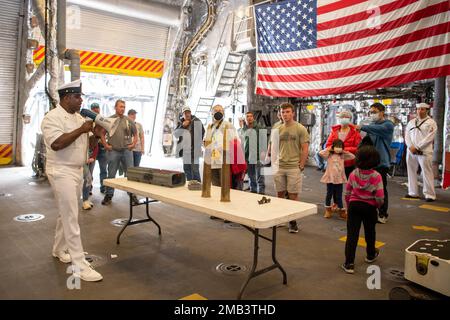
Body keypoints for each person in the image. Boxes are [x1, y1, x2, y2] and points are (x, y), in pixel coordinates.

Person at [41, 80, 103, 281]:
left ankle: (59, 250)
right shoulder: (52, 118)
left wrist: (96, 135)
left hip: (76, 170)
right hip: (60, 171)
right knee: (71, 217)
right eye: (78, 96)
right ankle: (79, 264)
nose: (81, 100)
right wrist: (82, 129)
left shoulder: (78, 118)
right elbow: (57, 143)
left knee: (65, 213)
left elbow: (85, 144)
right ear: (67, 97)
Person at [342, 145, 384, 274]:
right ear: (375, 160)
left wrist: (349, 207)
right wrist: (377, 207)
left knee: (352, 235)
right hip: (369, 207)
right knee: (370, 232)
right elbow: (380, 197)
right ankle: (370, 255)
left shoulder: (353, 173)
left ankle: (349, 263)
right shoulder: (376, 176)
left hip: (354, 205)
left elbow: (347, 192)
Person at [270, 102, 310, 233]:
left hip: (293, 167)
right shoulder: (278, 128)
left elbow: (305, 148)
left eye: (287, 112)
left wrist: (302, 165)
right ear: (280, 114)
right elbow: (274, 147)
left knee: (293, 196)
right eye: (283, 112)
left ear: (293, 113)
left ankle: (293, 222)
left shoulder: (300, 128)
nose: (285, 114)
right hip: (280, 166)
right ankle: (280, 219)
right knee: (280, 194)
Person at [356, 103, 394, 224]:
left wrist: (362, 127)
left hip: (381, 163)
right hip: (369, 162)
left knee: (381, 190)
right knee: (368, 189)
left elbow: (378, 130)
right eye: (371, 112)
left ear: (382, 112)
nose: (372, 114)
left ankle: (383, 213)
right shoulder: (371, 125)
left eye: (374, 111)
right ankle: (371, 212)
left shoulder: (388, 125)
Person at [204, 104, 237, 221]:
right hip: (212, 161)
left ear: (224, 113)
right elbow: (205, 142)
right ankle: (218, 211)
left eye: (220, 111)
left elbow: (235, 141)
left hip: (224, 161)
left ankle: (228, 213)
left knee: (226, 186)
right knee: (216, 186)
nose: (218, 112)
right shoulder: (210, 126)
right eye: (216, 111)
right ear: (212, 113)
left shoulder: (228, 125)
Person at [101, 99, 138, 205]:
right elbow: (102, 134)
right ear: (115, 107)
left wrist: (133, 144)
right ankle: (109, 195)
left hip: (127, 151)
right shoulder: (109, 120)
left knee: (130, 174)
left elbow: (136, 134)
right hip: (114, 151)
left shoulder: (128, 120)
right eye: (121, 106)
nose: (123, 108)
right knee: (111, 174)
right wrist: (105, 145)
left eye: (124, 107)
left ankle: (132, 195)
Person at [404, 103, 437, 202]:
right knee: (411, 171)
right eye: (418, 109)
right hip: (411, 150)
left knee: (427, 172)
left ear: (427, 110)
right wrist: (410, 146)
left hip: (424, 151)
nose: (419, 111)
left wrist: (418, 147)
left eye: (422, 109)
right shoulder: (411, 122)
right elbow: (406, 135)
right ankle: (413, 192)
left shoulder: (431, 122)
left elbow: (430, 138)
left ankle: (429, 194)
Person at [319, 139, 355, 219]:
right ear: (333, 147)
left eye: (340, 147)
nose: (338, 148)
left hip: (339, 179)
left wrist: (344, 151)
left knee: (339, 195)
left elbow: (352, 156)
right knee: (329, 194)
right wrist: (329, 149)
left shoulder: (342, 155)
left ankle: (341, 211)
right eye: (337, 147)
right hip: (330, 179)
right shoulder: (329, 155)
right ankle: (328, 210)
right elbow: (321, 153)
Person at [326, 110, 361, 177]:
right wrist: (334, 149)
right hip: (335, 162)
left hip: (350, 163)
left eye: (346, 117)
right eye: (342, 117)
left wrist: (343, 150)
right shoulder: (334, 132)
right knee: (336, 184)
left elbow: (358, 148)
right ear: (339, 119)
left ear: (350, 119)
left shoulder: (355, 132)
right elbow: (328, 145)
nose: (344, 118)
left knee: (350, 184)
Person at [174, 106, 205, 182]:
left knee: (195, 170)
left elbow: (203, 132)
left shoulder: (196, 121)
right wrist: (182, 126)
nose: (187, 114)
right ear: (183, 114)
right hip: (185, 152)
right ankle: (190, 185)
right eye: (185, 113)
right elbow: (176, 134)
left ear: (191, 113)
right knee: (187, 170)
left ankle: (198, 187)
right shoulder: (181, 122)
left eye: (188, 112)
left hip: (194, 151)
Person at [241, 111, 266, 194]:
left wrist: (263, 152)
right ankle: (253, 190)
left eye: (251, 116)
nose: (249, 118)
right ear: (245, 119)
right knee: (251, 175)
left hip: (258, 155)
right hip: (248, 156)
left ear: (253, 118)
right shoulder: (243, 129)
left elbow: (264, 140)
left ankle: (261, 192)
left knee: (260, 175)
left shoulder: (259, 127)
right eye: (247, 116)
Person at [89, 103, 108, 194]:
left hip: (102, 147)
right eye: (94, 108)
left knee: (103, 169)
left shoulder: (102, 120)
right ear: (91, 110)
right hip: (92, 147)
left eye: (97, 108)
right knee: (90, 170)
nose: (96, 110)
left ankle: (103, 187)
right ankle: (89, 187)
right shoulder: (88, 121)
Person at [82, 138, 98, 210]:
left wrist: (93, 157)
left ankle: (86, 199)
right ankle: (85, 201)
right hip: (82, 160)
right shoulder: (83, 139)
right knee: (88, 178)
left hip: (91, 160)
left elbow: (96, 147)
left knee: (89, 179)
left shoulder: (94, 138)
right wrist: (85, 159)